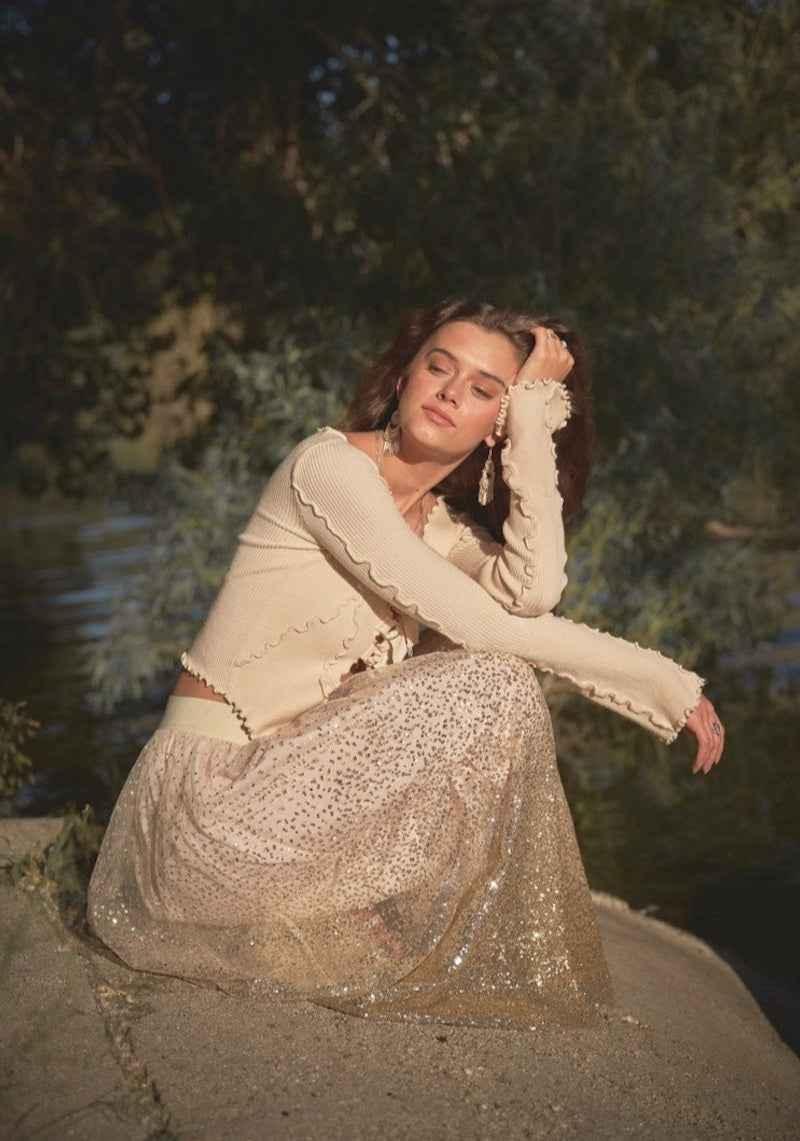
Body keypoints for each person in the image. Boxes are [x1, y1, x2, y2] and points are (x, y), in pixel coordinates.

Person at [87, 298, 725, 1032]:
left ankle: (349, 903)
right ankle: (356, 906)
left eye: (486, 389)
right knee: (490, 681)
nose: (452, 393)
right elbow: (485, 627)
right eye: (440, 366)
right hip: (206, 814)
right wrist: (662, 683)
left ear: (498, 424)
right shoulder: (328, 469)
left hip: (281, 809)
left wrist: (535, 418)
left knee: (486, 679)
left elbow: (534, 591)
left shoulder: (439, 527)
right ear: (405, 375)